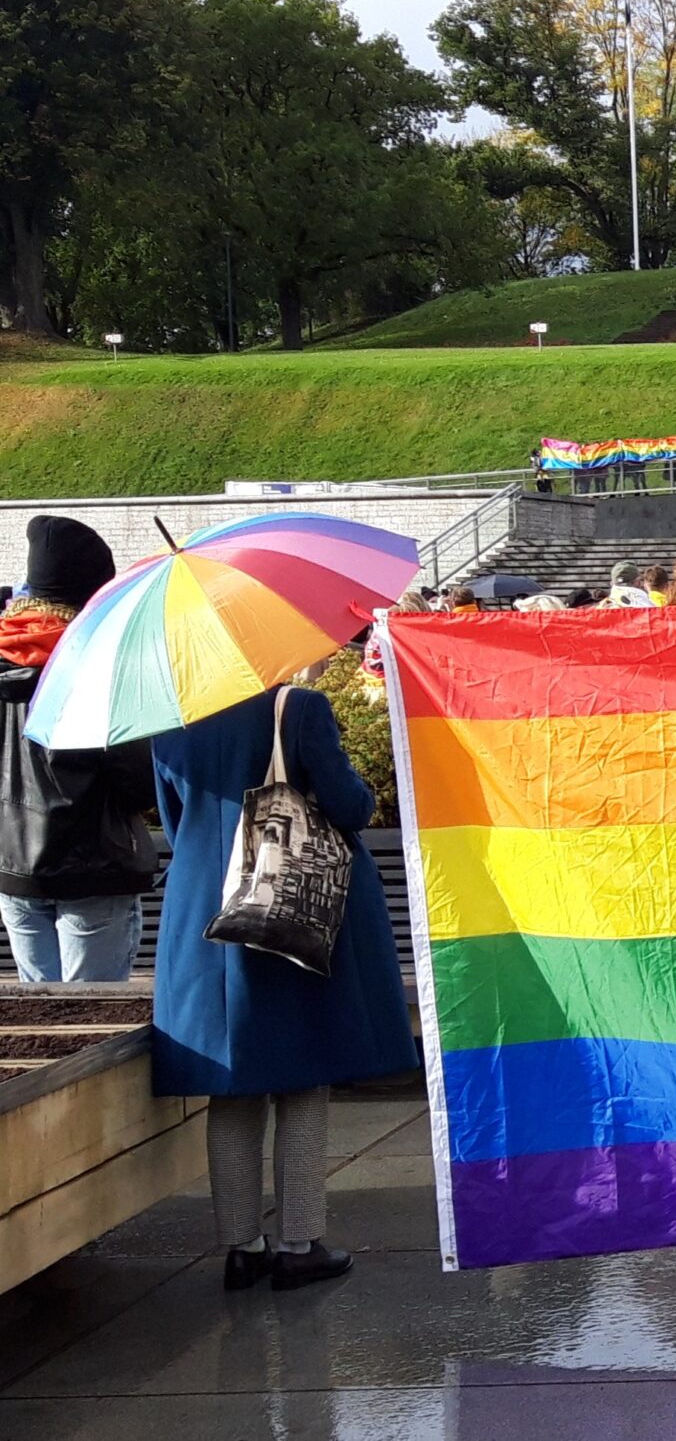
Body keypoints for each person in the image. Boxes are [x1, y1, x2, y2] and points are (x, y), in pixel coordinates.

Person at [152, 679, 418, 1290]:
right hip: (292, 909)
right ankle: (299, 1243)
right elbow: (350, 808)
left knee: (234, 1084)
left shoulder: (172, 721)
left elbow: (174, 818)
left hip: (205, 913)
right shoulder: (296, 708)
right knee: (304, 1078)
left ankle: (242, 1248)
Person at [0, 517, 154, 982]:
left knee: (44, 1021)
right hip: (94, 868)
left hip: (13, 869)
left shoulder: (6, 651)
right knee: (95, 1021)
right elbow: (137, 786)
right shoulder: (98, 665)